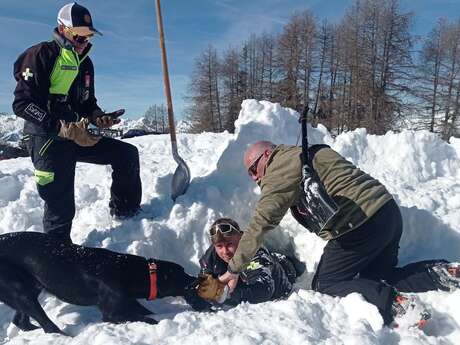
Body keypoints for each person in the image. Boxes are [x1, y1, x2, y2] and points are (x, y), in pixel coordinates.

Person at [206, 141, 459, 328]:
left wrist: (235, 268)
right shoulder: (308, 152)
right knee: (377, 277)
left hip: (358, 226)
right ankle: (440, 273)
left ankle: (397, 305)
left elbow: (262, 221)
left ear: (268, 155)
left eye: (253, 168)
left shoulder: (279, 169)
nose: (253, 177)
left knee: (326, 284)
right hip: (387, 212)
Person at [12, 3, 142, 243]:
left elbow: (86, 103)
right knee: (60, 204)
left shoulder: (86, 64)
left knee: (126, 154)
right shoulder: (40, 55)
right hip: (45, 138)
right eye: (79, 35)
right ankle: (57, 254)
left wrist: (98, 117)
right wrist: (59, 127)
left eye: (88, 35)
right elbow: (22, 104)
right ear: (63, 29)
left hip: (77, 134)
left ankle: (127, 217)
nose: (84, 40)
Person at [189, 218, 301, 310]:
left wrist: (228, 294)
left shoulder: (256, 254)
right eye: (219, 246)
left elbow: (265, 290)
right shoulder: (213, 254)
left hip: (285, 274)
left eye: (229, 244)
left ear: (241, 238)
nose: (225, 251)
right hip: (244, 280)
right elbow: (204, 282)